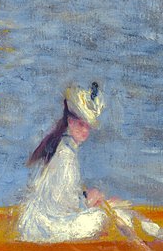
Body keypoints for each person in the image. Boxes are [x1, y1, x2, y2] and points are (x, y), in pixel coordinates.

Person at [17, 83, 111, 242]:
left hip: (45, 220)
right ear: (70, 122)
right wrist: (87, 200)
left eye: (88, 127)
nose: (85, 131)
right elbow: (62, 203)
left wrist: (85, 196)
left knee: (98, 216)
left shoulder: (66, 149)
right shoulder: (65, 155)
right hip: (47, 225)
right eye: (81, 124)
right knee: (99, 218)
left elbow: (64, 192)